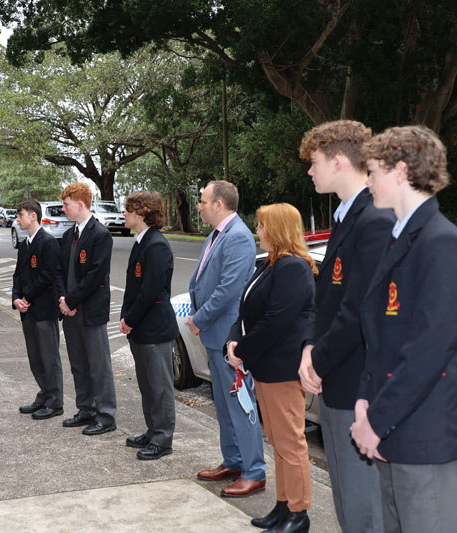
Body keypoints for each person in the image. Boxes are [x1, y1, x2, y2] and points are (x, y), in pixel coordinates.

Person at [350, 125, 457, 532]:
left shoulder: (441, 243)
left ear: (401, 171)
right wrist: (364, 400)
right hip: (395, 432)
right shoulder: (400, 238)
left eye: (373, 171)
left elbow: (428, 352)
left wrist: (375, 421)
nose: (367, 181)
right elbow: (380, 339)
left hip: (425, 437)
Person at [296, 120, 394, 532]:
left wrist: (317, 360)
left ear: (338, 161)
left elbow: (358, 312)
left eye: (314, 161)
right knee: (346, 500)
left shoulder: (374, 219)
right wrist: (309, 346)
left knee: (363, 506)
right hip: (336, 379)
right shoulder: (347, 217)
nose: (309, 170)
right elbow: (325, 300)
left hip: (356, 383)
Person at [227, 203, 316, 533]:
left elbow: (276, 320)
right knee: (278, 441)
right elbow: (246, 311)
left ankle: (298, 513)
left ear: (277, 230)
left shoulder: (293, 267)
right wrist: (233, 341)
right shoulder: (270, 264)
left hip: (282, 369)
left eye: (262, 226)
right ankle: (284, 504)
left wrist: (242, 350)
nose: (258, 231)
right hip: (266, 367)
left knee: (290, 443)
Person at [189, 180, 266, 498]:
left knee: (240, 406)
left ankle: (254, 472)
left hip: (229, 337)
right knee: (224, 406)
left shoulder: (238, 237)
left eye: (203, 201)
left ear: (219, 204)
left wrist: (199, 318)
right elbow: (204, 280)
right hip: (215, 337)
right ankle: (234, 461)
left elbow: (229, 289)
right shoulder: (217, 234)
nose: (199, 206)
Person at [119, 190, 179, 460]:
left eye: (128, 209)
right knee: (147, 385)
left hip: (154, 328)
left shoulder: (156, 245)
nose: (124, 214)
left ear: (142, 213)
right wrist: (126, 317)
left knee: (160, 387)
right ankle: (153, 430)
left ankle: (163, 439)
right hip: (141, 328)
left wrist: (130, 319)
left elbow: (151, 291)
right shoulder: (141, 241)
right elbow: (133, 287)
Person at [57, 183, 117, 436]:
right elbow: (60, 271)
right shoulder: (68, 235)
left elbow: (95, 275)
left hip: (90, 311)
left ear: (80, 204)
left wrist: (70, 301)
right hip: (70, 311)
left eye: (66, 205)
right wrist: (63, 299)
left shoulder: (100, 235)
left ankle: (106, 415)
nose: (63, 209)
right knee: (78, 364)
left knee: (99, 365)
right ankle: (86, 409)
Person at [12, 200, 64, 420]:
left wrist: (27, 296)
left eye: (21, 215)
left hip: (44, 309)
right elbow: (17, 274)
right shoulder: (24, 244)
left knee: (49, 357)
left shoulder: (48, 242)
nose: (18, 219)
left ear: (33, 216)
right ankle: (45, 394)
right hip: (28, 310)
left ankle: (55, 401)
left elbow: (48, 276)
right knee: (35, 357)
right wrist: (16, 298)